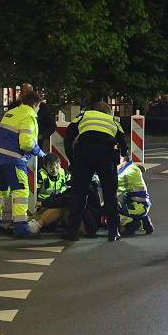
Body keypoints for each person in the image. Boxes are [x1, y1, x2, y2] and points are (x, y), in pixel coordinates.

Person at [61, 100, 126, 242]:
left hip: (84, 156)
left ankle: (73, 231)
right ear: (108, 112)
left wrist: (72, 159)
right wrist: (119, 156)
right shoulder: (112, 120)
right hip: (107, 158)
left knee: (79, 194)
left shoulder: (83, 116)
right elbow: (123, 143)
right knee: (110, 196)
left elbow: (68, 137)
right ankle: (113, 231)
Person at [0, 90, 43, 237]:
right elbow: (26, 143)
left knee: (0, 192)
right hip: (12, 160)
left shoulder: (11, 113)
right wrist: (39, 152)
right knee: (21, 192)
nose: (38, 110)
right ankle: (21, 228)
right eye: (39, 106)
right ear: (35, 104)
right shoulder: (29, 116)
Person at [117, 154, 153, 235]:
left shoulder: (129, 171)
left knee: (113, 207)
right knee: (124, 201)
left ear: (123, 159)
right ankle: (144, 221)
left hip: (138, 206)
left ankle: (133, 224)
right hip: (140, 205)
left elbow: (114, 181)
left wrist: (95, 178)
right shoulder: (130, 168)